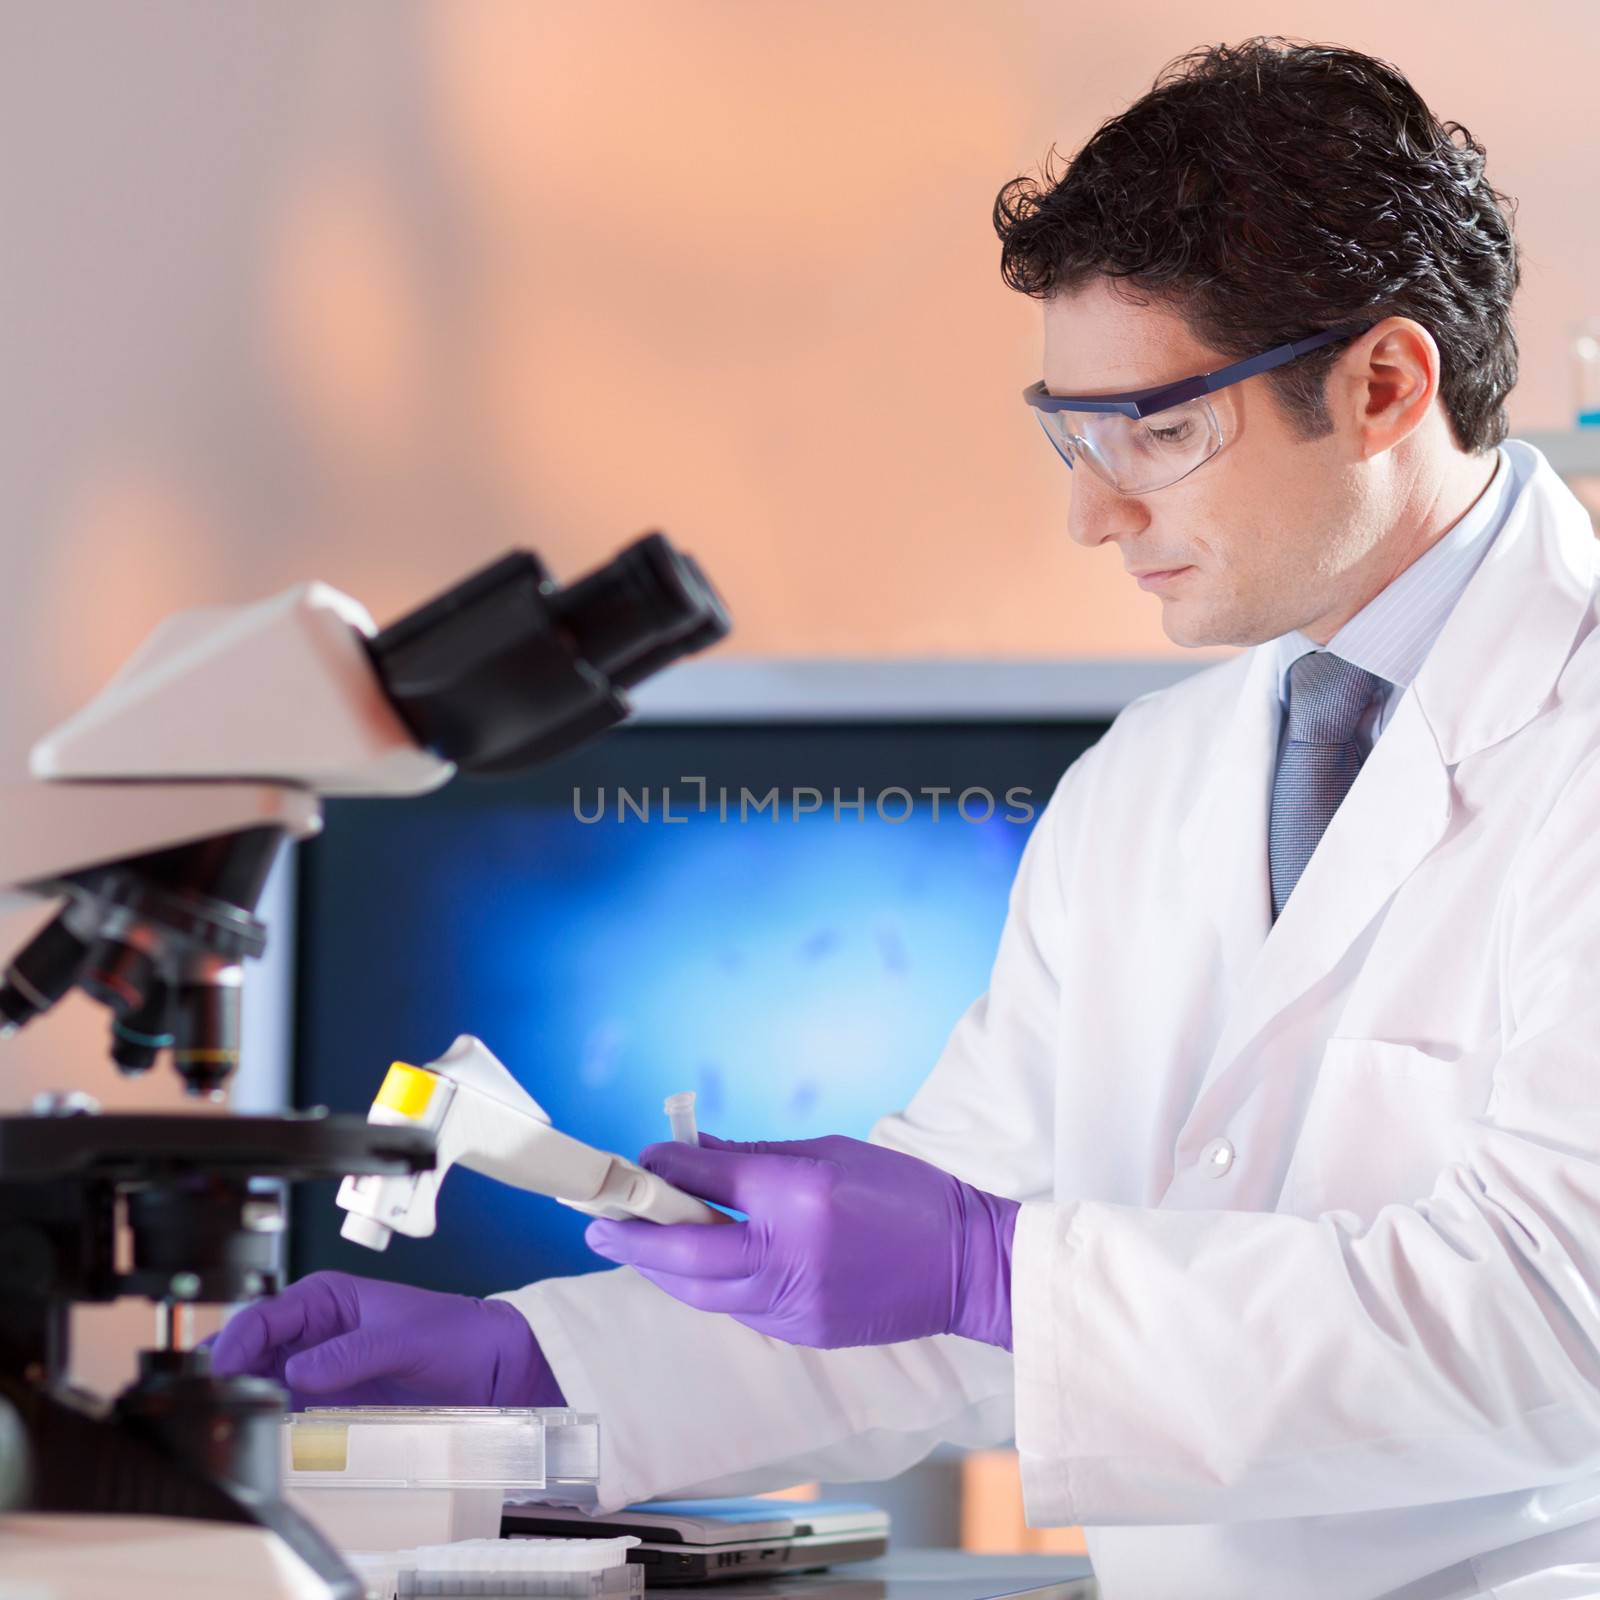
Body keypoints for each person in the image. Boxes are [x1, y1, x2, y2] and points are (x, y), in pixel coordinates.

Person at [215, 38, 1600, 1600]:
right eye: (1069, 432)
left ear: (1383, 385)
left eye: (1157, 429)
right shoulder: (1155, 777)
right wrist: (534, 1367)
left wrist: (999, 1263)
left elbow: (1556, 1318)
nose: (1093, 509)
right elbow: (931, 1310)